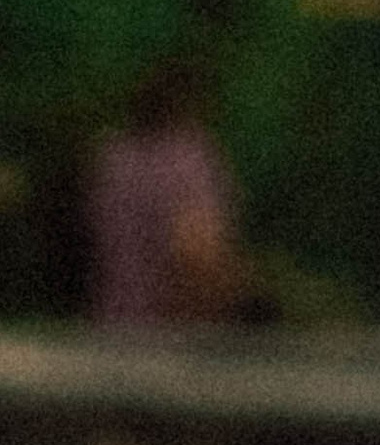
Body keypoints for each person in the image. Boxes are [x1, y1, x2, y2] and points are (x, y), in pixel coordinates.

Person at [85, 59, 255, 329]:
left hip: (114, 331)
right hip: (173, 341)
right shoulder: (187, 160)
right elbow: (197, 256)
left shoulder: (113, 158)